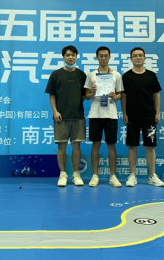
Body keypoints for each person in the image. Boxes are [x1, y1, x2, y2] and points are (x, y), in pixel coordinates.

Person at [122, 47, 164, 187]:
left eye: (140, 55)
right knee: (132, 146)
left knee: (150, 146)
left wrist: (157, 113)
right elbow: (124, 96)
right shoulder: (127, 76)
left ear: (145, 58)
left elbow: (156, 95)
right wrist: (124, 113)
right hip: (132, 117)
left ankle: (152, 176)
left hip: (149, 117)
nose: (138, 58)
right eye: (135, 56)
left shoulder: (151, 75)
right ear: (131, 59)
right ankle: (132, 175)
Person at [45, 45, 87, 187]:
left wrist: (75, 104)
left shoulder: (81, 75)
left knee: (76, 146)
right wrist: (55, 111)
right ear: (63, 57)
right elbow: (52, 95)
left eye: (73, 55)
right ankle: (63, 174)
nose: (71, 57)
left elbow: (84, 96)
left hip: (77, 117)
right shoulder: (56, 74)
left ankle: (76, 174)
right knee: (61, 146)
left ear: (76, 57)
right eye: (68, 55)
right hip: (61, 117)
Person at [84, 46, 123, 187]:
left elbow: (120, 94)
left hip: (111, 114)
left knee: (111, 145)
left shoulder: (116, 75)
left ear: (110, 57)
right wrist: (93, 92)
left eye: (106, 55)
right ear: (97, 57)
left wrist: (114, 96)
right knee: (96, 144)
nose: (104, 58)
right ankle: (95, 175)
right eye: (101, 56)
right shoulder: (91, 75)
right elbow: (87, 96)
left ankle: (112, 176)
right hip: (95, 114)